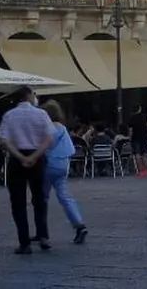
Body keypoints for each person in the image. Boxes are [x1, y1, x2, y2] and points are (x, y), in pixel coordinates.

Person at [0, 86, 56, 255]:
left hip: (16, 158)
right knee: (40, 198)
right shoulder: (41, 114)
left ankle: (24, 242)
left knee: (18, 201)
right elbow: (49, 138)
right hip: (37, 158)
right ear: (29, 96)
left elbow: (2, 140)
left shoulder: (9, 115)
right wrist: (35, 156)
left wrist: (21, 158)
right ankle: (43, 236)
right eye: (34, 94)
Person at [41, 101, 88, 244]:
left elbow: (47, 144)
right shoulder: (62, 127)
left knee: (42, 198)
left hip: (49, 163)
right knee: (65, 196)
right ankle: (79, 224)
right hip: (63, 164)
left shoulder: (47, 128)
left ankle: (41, 231)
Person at [129, 104, 147, 176]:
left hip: (135, 137)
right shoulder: (145, 116)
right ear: (140, 109)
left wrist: (130, 138)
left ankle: (140, 171)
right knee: (145, 153)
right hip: (144, 136)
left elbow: (131, 130)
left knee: (137, 154)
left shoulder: (132, 118)